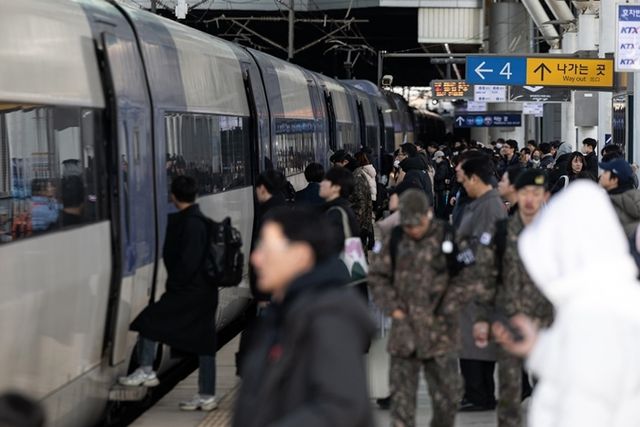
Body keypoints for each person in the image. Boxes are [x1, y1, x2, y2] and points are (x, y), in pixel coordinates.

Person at [494, 181, 640, 427]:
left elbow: (585, 399)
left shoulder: (592, 314)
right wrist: (538, 347)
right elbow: (578, 366)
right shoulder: (615, 297)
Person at [233, 208, 374, 427]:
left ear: (300, 255)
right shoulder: (284, 312)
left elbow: (343, 407)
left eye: (265, 248)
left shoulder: (330, 316)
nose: (256, 258)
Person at [121, 175, 219, 411]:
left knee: (149, 321)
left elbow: (187, 263)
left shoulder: (191, 223)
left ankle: (146, 369)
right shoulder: (197, 220)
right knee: (205, 344)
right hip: (203, 292)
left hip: (190, 292)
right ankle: (206, 396)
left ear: (173, 197)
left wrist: (174, 287)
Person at [368, 189, 463, 427]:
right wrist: (393, 308)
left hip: (440, 331)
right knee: (401, 403)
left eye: (417, 225)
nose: (413, 230)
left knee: (446, 400)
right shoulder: (395, 239)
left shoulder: (446, 235)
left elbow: (466, 277)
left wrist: (448, 305)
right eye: (408, 225)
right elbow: (377, 277)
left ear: (428, 214)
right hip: (405, 332)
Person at [472, 169, 554, 427]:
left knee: (550, 394)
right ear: (516, 195)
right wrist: (482, 319)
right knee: (509, 395)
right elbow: (487, 277)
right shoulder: (502, 232)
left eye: (536, 193)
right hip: (509, 322)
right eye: (525, 193)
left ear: (545, 196)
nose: (530, 199)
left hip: (546, 325)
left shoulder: (555, 234)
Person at [456, 156, 507, 412]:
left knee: (475, 340)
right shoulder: (480, 203)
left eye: (465, 180)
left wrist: (458, 259)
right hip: (471, 281)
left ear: (475, 178)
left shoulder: (490, 206)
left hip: (478, 282)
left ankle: (478, 394)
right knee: (472, 339)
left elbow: (482, 247)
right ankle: (477, 393)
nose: (463, 185)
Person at [320, 166, 359, 254]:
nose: (321, 184)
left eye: (325, 180)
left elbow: (330, 247)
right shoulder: (345, 208)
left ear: (336, 187)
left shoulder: (336, 213)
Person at [598, 158, 640, 237]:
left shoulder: (611, 205)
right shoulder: (635, 197)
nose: (601, 175)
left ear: (614, 180)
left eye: (605, 172)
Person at [353, 152, 376, 248]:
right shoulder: (370, 169)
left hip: (366, 197)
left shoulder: (360, 172)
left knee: (367, 222)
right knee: (369, 221)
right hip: (371, 196)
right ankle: (372, 243)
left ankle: (370, 243)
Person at [433, 151, 454, 220]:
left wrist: (434, 175)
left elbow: (439, 177)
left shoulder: (442, 166)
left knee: (440, 204)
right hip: (442, 187)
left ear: (440, 157)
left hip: (440, 187)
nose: (435, 161)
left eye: (436, 158)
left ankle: (441, 217)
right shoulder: (445, 164)